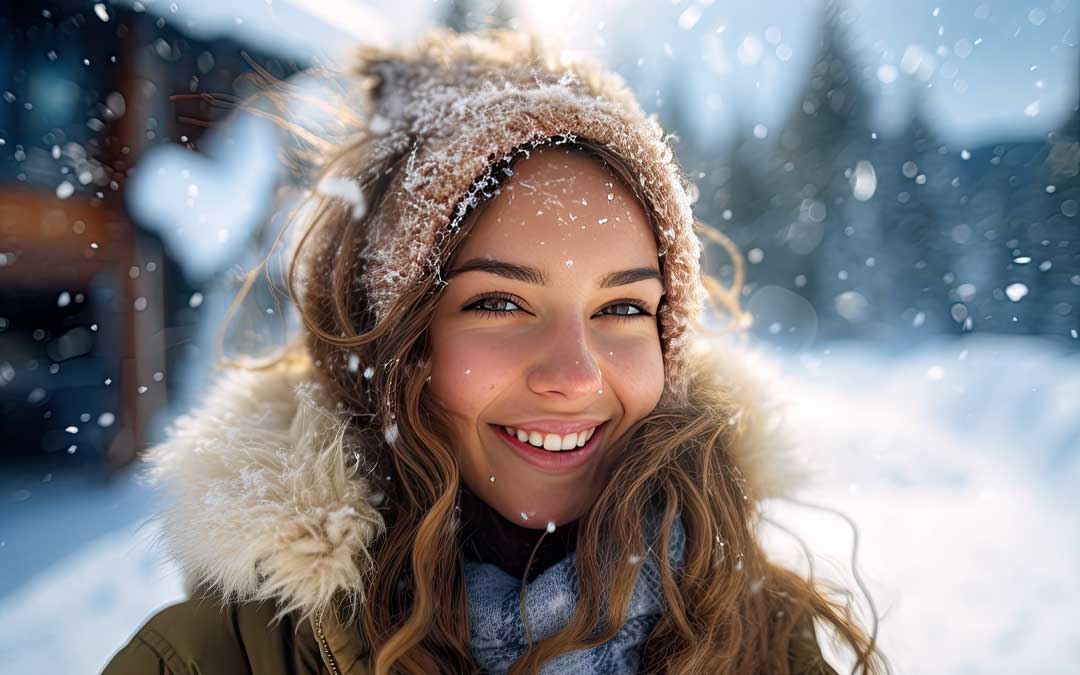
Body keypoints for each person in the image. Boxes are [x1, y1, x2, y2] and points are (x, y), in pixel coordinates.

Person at [103, 29, 885, 675]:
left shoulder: (756, 628)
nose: (575, 375)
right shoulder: (218, 658)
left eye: (621, 307)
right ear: (395, 339)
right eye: (500, 302)